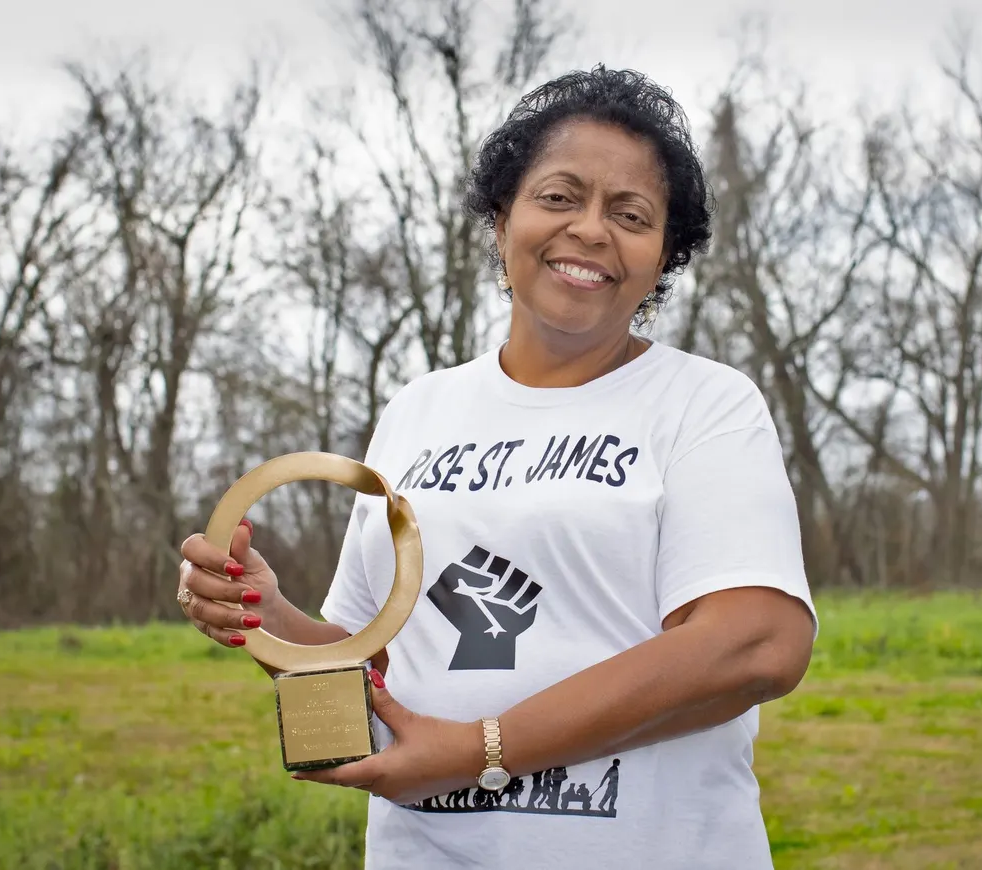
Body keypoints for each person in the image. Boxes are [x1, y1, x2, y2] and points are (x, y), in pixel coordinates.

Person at [176, 64, 818, 869]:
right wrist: (268, 616)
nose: (590, 229)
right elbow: (369, 663)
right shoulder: (417, 411)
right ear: (500, 217)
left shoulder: (704, 405)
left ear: (665, 256)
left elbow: (757, 642)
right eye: (558, 196)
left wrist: (480, 749)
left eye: (631, 213)